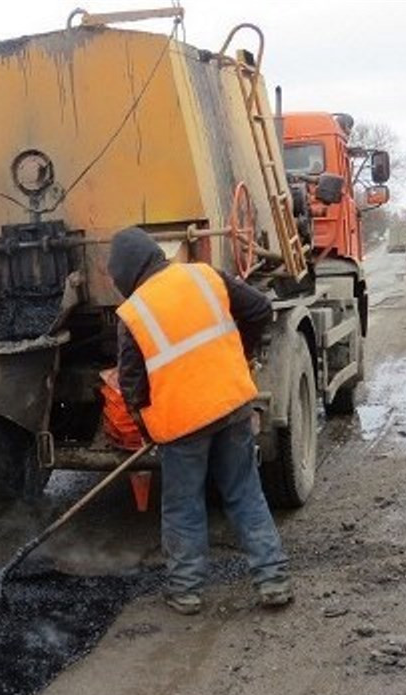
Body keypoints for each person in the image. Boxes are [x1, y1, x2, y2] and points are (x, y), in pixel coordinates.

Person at [107, 226, 292, 615]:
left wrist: (146, 431)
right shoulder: (204, 274)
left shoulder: (134, 313)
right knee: (244, 492)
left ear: (126, 272)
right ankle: (273, 580)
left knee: (183, 506)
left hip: (182, 425)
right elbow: (259, 308)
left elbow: (132, 385)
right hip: (232, 405)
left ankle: (186, 591)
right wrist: (237, 355)